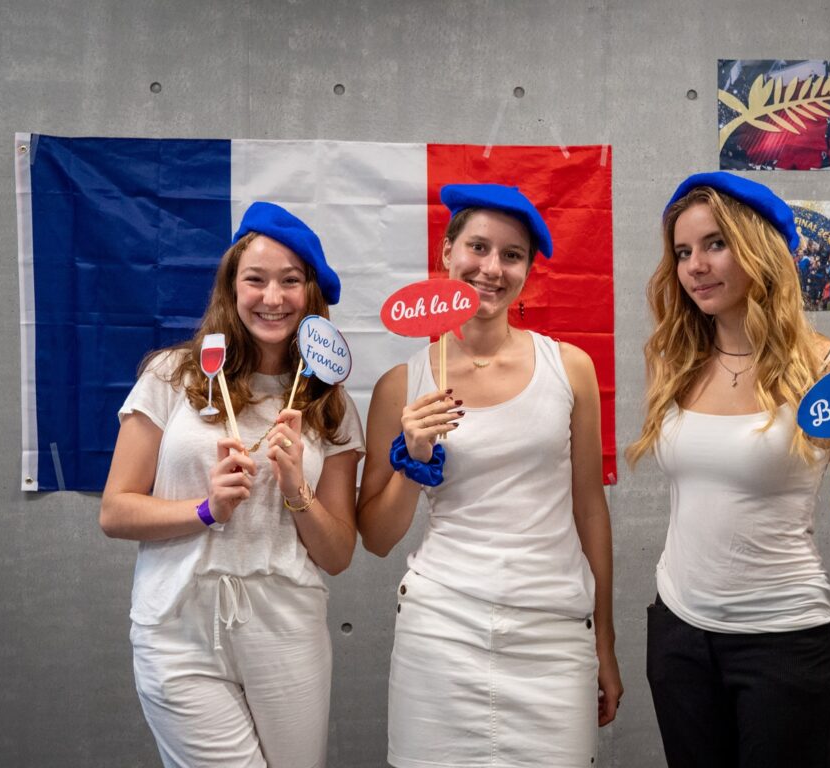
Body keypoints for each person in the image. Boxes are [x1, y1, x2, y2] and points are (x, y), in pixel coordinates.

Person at [626, 172, 830, 768]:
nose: (695, 266)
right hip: (678, 635)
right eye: (682, 252)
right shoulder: (672, 359)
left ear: (760, 248)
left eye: (715, 244)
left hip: (783, 642)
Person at [357, 183, 622, 768]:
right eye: (477, 247)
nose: (491, 269)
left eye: (512, 255)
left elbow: (589, 510)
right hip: (441, 629)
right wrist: (414, 461)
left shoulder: (569, 368)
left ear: (527, 269)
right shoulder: (401, 387)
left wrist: (603, 640)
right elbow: (375, 537)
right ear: (446, 254)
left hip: (553, 634)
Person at [99, 203, 365, 768]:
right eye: (256, 279)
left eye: (291, 281)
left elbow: (339, 554)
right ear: (231, 287)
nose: (273, 297)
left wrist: (296, 486)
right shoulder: (174, 375)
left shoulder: (331, 408)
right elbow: (116, 511)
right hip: (178, 625)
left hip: (287, 628)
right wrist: (206, 509)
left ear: (311, 295)